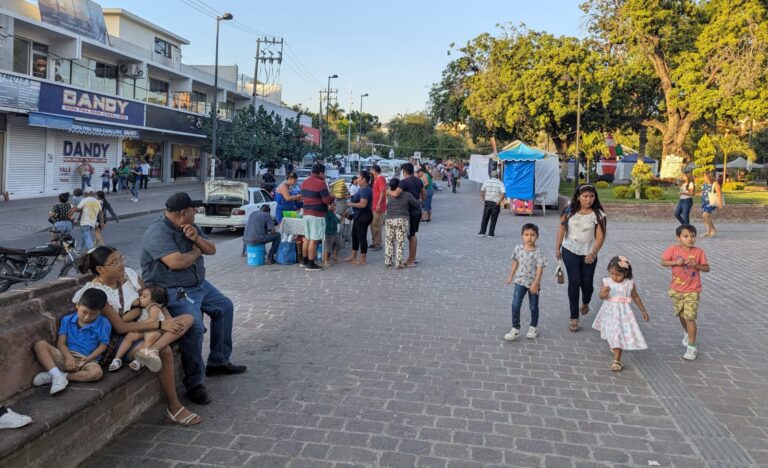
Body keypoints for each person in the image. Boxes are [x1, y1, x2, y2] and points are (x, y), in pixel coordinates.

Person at [72, 246, 200, 425]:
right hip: (121, 340)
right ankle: (174, 407)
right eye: (115, 262)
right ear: (100, 269)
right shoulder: (97, 292)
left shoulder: (130, 275)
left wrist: (169, 321)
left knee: (187, 318)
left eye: (121, 258)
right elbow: (120, 327)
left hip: (149, 326)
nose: (122, 264)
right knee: (166, 351)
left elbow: (152, 298)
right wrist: (163, 325)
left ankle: (152, 349)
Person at [141, 192, 246, 405]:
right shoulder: (157, 232)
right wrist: (196, 253)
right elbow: (176, 262)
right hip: (173, 288)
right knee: (194, 327)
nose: (196, 212)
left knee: (224, 306)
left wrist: (196, 239)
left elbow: (212, 249)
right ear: (183, 212)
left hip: (198, 284)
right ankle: (194, 382)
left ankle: (218, 361)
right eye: (193, 210)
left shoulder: (190, 227)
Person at [32, 288, 111, 395]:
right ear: (77, 305)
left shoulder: (104, 323)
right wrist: (69, 358)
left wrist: (87, 359)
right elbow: (61, 343)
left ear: (100, 312)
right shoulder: (67, 320)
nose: (87, 317)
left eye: (93, 314)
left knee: (97, 373)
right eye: (84, 312)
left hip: (86, 360)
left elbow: (102, 346)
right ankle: (56, 374)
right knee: (40, 345)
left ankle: (58, 377)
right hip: (65, 356)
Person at [555, 184, 607, 332]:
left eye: (591, 196)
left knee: (587, 284)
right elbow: (562, 228)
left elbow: (600, 236)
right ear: (578, 197)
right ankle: (574, 317)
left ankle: (585, 302)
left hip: (589, 253)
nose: (588, 199)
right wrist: (557, 247)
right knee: (574, 282)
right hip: (569, 249)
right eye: (585, 196)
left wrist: (593, 252)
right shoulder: (569, 210)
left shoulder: (599, 214)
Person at [661, 224, 710, 361]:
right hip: (676, 290)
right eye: (686, 236)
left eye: (693, 236)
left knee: (690, 317)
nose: (690, 239)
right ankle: (686, 332)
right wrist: (676, 262)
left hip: (692, 290)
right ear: (678, 238)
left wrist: (698, 266)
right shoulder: (673, 249)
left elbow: (707, 268)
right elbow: (663, 262)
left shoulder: (699, 252)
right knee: (681, 315)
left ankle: (692, 347)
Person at [592, 256, 650, 372]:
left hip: (623, 314)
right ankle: (614, 345)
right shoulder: (607, 282)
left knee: (618, 334)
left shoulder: (629, 284)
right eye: (612, 274)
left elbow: (636, 297)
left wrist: (643, 311)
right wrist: (604, 293)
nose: (614, 277)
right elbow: (601, 296)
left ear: (625, 273)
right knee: (611, 333)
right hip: (609, 312)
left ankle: (617, 361)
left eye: (618, 275)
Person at [109, 286, 168, 372]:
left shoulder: (154, 307)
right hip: (145, 329)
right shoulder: (143, 309)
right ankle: (117, 359)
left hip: (155, 329)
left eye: (144, 296)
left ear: (153, 301)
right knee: (131, 335)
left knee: (149, 339)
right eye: (141, 296)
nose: (140, 298)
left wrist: (137, 325)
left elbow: (152, 320)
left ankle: (140, 360)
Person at [504, 223, 547, 341]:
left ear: (537, 236)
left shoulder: (538, 252)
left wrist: (536, 284)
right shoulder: (518, 248)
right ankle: (515, 328)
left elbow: (540, 269)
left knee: (533, 306)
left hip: (533, 284)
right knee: (515, 304)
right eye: (526, 235)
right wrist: (510, 276)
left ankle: (533, 327)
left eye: (532, 235)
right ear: (522, 236)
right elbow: (515, 262)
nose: (529, 237)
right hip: (520, 281)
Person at [389, 163, 425, 267]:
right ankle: (412, 257)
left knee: (411, 235)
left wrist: (387, 192)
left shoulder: (403, 182)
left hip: (409, 212)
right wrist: (420, 203)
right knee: (412, 234)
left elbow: (395, 194)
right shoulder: (418, 180)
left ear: (404, 171)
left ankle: (411, 260)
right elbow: (424, 193)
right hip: (417, 210)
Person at [299, 163, 334, 271]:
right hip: (317, 214)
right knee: (314, 240)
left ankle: (304, 261)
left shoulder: (304, 182)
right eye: (324, 173)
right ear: (321, 173)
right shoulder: (321, 183)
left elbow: (303, 197)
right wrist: (333, 197)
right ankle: (311, 264)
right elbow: (327, 200)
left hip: (306, 213)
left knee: (307, 238)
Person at [384, 178, 419, 268]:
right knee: (400, 242)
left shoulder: (388, 194)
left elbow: (385, 205)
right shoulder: (407, 195)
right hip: (401, 219)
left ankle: (388, 261)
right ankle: (399, 263)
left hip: (389, 219)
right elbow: (416, 204)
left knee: (389, 241)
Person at [344, 171, 373, 265]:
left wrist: (350, 204)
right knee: (355, 236)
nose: (357, 180)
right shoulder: (362, 188)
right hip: (358, 215)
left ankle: (363, 259)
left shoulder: (365, 190)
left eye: (358, 178)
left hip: (363, 215)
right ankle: (353, 255)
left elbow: (363, 204)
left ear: (364, 179)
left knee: (361, 237)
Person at [478, 170, 506, 237]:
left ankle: (482, 232)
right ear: (498, 176)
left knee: (485, 218)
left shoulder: (486, 182)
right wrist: (499, 202)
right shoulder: (500, 183)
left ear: (491, 175)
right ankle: (491, 233)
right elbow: (504, 193)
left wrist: (483, 200)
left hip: (487, 202)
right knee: (493, 219)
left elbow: (482, 191)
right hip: (496, 203)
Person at [369, 165, 387, 250]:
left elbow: (383, 191)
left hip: (377, 207)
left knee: (376, 225)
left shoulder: (380, 178)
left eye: (371, 171)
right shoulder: (375, 179)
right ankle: (374, 242)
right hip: (373, 206)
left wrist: (379, 204)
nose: (370, 172)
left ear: (375, 171)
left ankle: (377, 243)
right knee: (373, 225)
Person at [700, 171, 723, 237]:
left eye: (704, 176)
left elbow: (719, 193)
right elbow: (703, 192)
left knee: (705, 215)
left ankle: (713, 230)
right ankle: (708, 231)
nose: (703, 177)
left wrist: (720, 203)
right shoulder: (704, 184)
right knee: (704, 217)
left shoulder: (715, 183)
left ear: (709, 176)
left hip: (711, 202)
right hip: (704, 202)